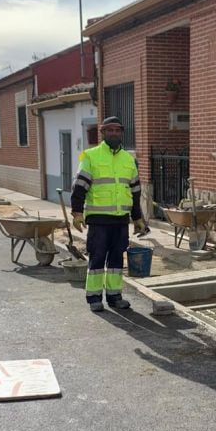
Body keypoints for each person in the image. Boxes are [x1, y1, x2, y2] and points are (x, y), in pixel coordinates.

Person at [69, 116, 147, 312]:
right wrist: (77, 213)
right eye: (110, 130)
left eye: (117, 130)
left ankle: (114, 296)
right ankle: (94, 298)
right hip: (98, 220)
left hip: (121, 220)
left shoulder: (129, 159)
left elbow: (135, 192)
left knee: (116, 260)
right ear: (102, 133)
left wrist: (137, 217)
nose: (114, 133)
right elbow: (79, 187)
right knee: (97, 258)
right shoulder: (90, 156)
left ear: (122, 133)